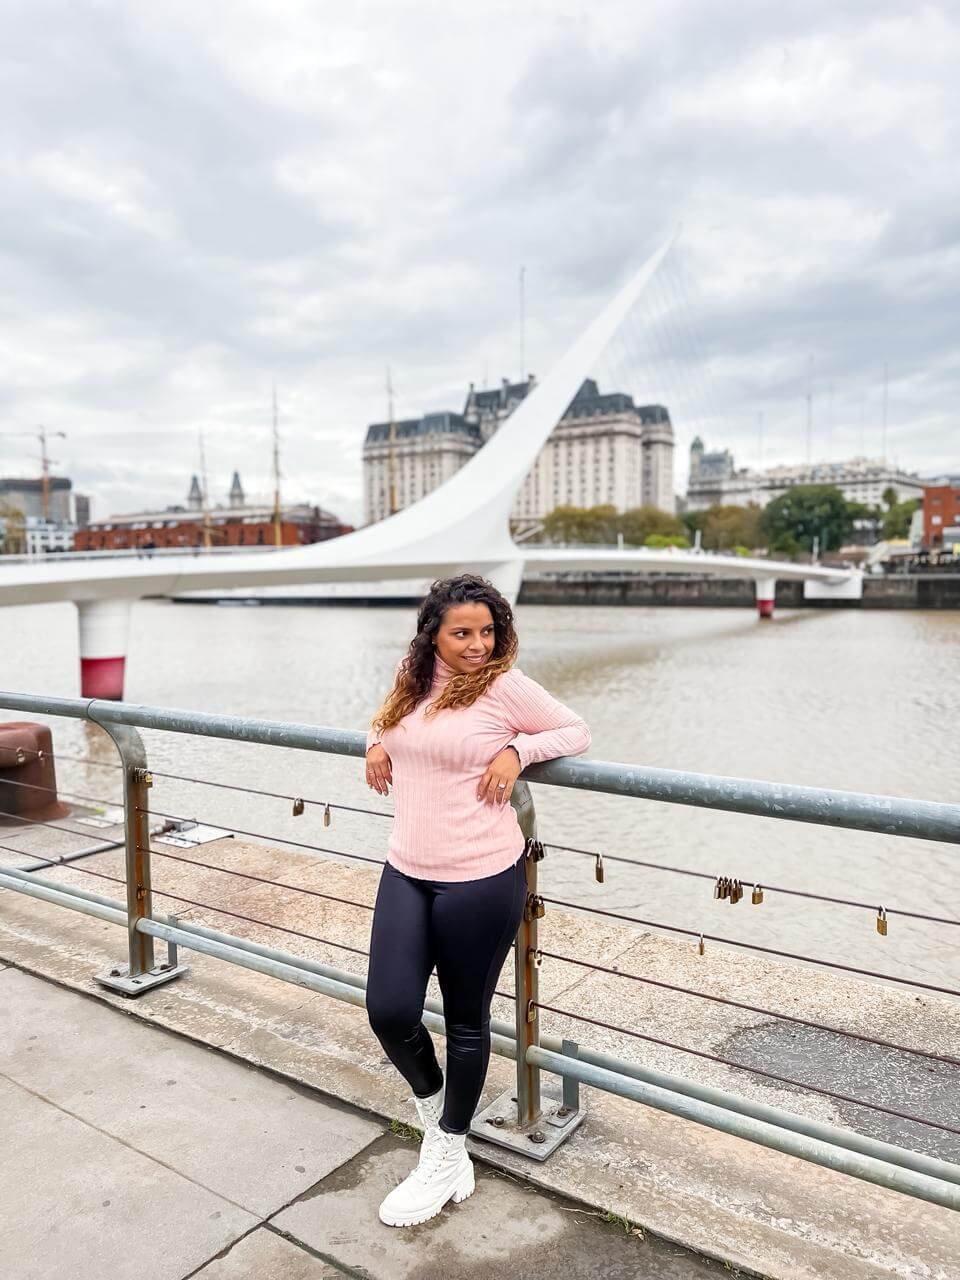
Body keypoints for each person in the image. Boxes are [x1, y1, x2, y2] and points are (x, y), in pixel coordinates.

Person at [364, 573, 591, 1227]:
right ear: (433, 632)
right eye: (462, 632)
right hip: (406, 867)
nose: (476, 644)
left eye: (487, 631)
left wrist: (518, 750)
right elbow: (386, 721)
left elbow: (575, 731)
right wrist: (374, 743)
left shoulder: (501, 685)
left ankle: (446, 1152)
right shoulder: (412, 675)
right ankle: (440, 1122)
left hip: (482, 877)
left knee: (466, 1021)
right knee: (389, 1009)